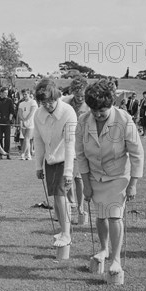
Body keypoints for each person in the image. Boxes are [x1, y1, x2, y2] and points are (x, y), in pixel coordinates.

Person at [76, 79, 144, 276]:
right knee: (100, 215)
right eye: (93, 110)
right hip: (95, 176)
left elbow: (137, 153)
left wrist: (133, 184)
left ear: (111, 104)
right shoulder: (82, 121)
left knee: (114, 215)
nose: (97, 115)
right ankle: (103, 249)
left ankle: (115, 260)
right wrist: (86, 184)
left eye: (102, 111)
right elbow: (80, 155)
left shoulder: (124, 120)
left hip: (118, 176)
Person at [33, 78, 77, 248]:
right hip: (50, 160)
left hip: (67, 158)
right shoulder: (38, 114)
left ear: (57, 97)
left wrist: (68, 171)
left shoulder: (68, 112)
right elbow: (38, 140)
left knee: (60, 196)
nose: (48, 105)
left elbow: (70, 142)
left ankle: (67, 234)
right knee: (55, 199)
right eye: (44, 102)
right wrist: (38, 165)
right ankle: (63, 229)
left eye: (51, 101)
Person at [62, 75, 89, 224]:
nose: (80, 98)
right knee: (67, 177)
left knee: (78, 178)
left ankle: (80, 208)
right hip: (66, 144)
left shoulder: (89, 106)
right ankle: (66, 206)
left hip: (82, 145)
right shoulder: (66, 103)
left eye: (82, 96)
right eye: (77, 95)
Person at [0, 87, 15, 158]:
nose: (6, 94)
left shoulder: (9, 100)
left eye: (7, 93)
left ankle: (7, 153)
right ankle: (0, 154)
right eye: (5, 93)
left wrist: (10, 120)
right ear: (1, 92)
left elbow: (12, 111)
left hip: (7, 122)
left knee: (7, 138)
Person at [17, 89, 38, 160]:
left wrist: (26, 120)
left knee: (27, 138)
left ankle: (22, 153)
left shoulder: (33, 102)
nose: (24, 96)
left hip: (31, 122)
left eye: (26, 94)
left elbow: (32, 112)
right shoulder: (21, 103)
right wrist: (23, 120)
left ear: (29, 94)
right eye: (23, 94)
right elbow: (19, 112)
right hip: (23, 122)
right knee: (26, 139)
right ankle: (28, 154)